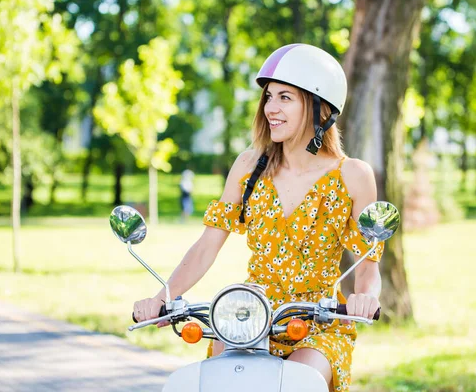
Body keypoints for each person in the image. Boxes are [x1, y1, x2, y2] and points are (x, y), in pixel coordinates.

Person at [133, 43, 385, 392]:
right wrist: (162, 297)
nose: (270, 108)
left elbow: (367, 267)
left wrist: (365, 297)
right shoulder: (251, 166)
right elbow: (207, 245)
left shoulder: (353, 176)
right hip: (248, 318)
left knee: (300, 381)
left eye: (285, 97)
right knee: (211, 381)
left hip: (318, 322)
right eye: (268, 97)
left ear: (319, 106)